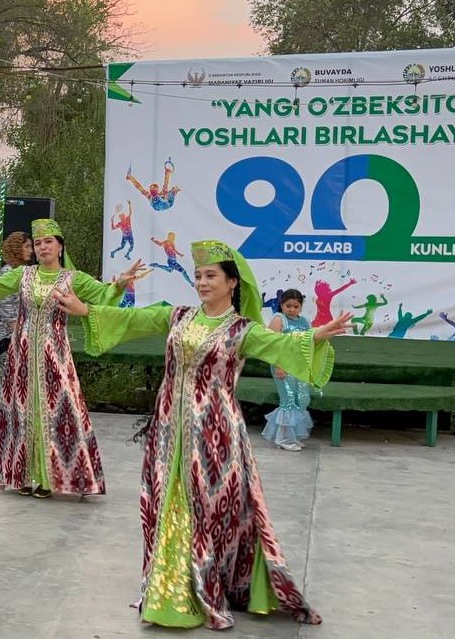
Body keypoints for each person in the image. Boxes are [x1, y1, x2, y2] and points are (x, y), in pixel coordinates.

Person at [60, 239, 350, 629]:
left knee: (215, 510)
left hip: (216, 434)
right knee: (168, 502)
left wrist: (317, 335)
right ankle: (170, 590)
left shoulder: (243, 330)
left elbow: (281, 345)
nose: (202, 282)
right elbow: (133, 320)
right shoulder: (178, 316)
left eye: (211, 275)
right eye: (198, 276)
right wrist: (87, 310)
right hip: (168, 429)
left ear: (232, 282)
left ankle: (219, 582)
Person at [0, 219, 143, 498]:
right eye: (38, 243)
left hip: (55, 355)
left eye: (48, 242)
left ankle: (50, 479)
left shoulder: (73, 278)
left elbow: (101, 295)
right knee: (22, 412)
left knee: (56, 412)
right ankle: (23, 475)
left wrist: (120, 283)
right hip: (22, 356)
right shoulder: (23, 275)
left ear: (60, 246)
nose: (43, 247)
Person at [263, 289, 316, 451]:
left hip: (300, 367)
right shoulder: (279, 320)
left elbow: (309, 344)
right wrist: (278, 365)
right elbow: (271, 345)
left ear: (301, 306)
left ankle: (293, 436)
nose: (292, 309)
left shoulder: (305, 322)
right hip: (283, 366)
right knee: (289, 400)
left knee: (301, 400)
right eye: (288, 306)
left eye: (296, 306)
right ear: (282, 305)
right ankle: (284, 439)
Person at [0, 232, 33, 387]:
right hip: (9, 340)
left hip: (16, 337)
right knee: (14, 385)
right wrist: (22, 339)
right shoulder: (8, 272)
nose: (31, 250)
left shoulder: (20, 271)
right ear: (16, 248)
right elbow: (8, 311)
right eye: (27, 246)